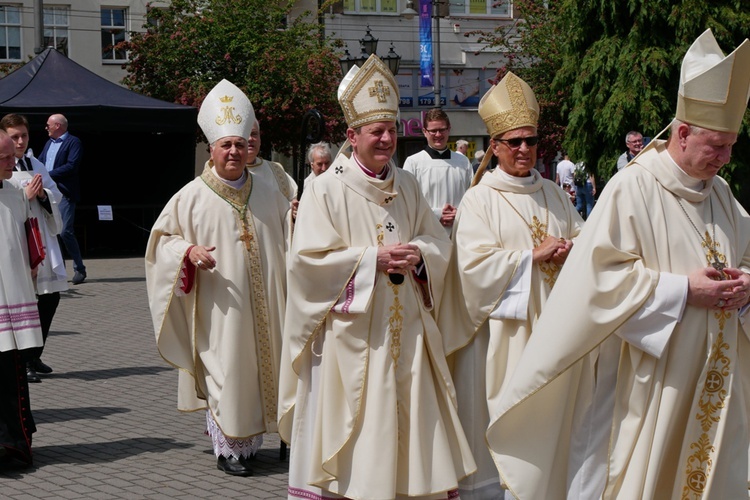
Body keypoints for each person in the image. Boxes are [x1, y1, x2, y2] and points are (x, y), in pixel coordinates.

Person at [489, 30, 750, 499]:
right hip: (648, 382)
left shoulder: (725, 197)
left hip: (712, 370)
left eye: (731, 145)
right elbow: (597, 280)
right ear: (683, 133)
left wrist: (746, 284)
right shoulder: (634, 188)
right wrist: (682, 291)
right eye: (715, 145)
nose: (725, 158)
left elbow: (746, 257)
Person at [279, 54, 476, 500]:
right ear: (352, 136)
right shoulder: (324, 188)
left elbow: (436, 242)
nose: (387, 139)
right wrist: (372, 261)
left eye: (392, 130)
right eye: (377, 131)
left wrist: (421, 255)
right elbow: (306, 263)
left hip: (406, 333)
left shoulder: (407, 185)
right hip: (352, 342)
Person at [438, 72, 583, 499]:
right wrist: (530, 258)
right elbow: (471, 267)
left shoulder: (555, 195)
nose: (524, 149)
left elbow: (586, 243)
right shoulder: (480, 199)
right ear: (495, 147)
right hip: (499, 340)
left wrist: (574, 248)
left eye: (531, 141)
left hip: (553, 333)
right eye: (513, 141)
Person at [146, 79, 290, 477]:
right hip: (219, 310)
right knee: (227, 369)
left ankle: (269, 440)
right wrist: (187, 252)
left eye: (239, 144)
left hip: (267, 306)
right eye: (225, 145)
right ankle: (229, 450)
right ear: (211, 149)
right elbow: (162, 242)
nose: (233, 151)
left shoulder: (269, 189)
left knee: (267, 367)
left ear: (249, 147)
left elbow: (292, 234)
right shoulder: (190, 196)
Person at [2, 114, 67, 383]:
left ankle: (35, 352)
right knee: (24, 301)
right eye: (14, 136)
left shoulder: (34, 162)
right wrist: (25, 198)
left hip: (40, 236)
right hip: (17, 243)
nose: (20, 141)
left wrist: (42, 195)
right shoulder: (5, 167)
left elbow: (56, 193)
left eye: (24, 136)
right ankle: (23, 359)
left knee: (50, 297)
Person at [0, 130, 43, 468]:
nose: (11, 163)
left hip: (12, 297)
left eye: (10, 157)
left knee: (10, 373)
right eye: (3, 158)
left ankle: (15, 443)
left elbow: (30, 236)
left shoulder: (15, 193)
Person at [403, 108, 472, 235]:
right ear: (424, 131)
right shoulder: (413, 162)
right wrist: (437, 214)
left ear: (449, 129)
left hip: (459, 233)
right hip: (427, 234)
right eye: (433, 131)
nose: (438, 135)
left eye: (442, 130)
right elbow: (407, 201)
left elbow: (472, 197)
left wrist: (460, 212)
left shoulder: (463, 162)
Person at [38, 114, 86, 285]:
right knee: (52, 231)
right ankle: (59, 271)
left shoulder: (74, 142)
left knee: (65, 231)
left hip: (65, 193)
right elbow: (40, 162)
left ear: (57, 125)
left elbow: (72, 166)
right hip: (48, 193)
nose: (46, 128)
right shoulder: (49, 143)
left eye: (48, 125)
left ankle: (79, 268)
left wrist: (48, 175)